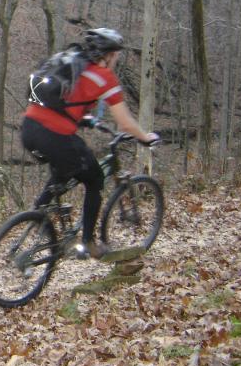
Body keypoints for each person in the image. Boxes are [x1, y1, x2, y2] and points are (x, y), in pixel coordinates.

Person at [21, 27, 159, 259]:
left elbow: (64, 105)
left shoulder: (73, 65)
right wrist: (145, 137)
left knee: (65, 170)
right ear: (108, 55)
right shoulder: (104, 77)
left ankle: (39, 215)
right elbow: (125, 123)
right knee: (94, 177)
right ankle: (88, 243)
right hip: (55, 135)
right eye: (115, 55)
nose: (116, 59)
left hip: (28, 129)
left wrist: (86, 120)